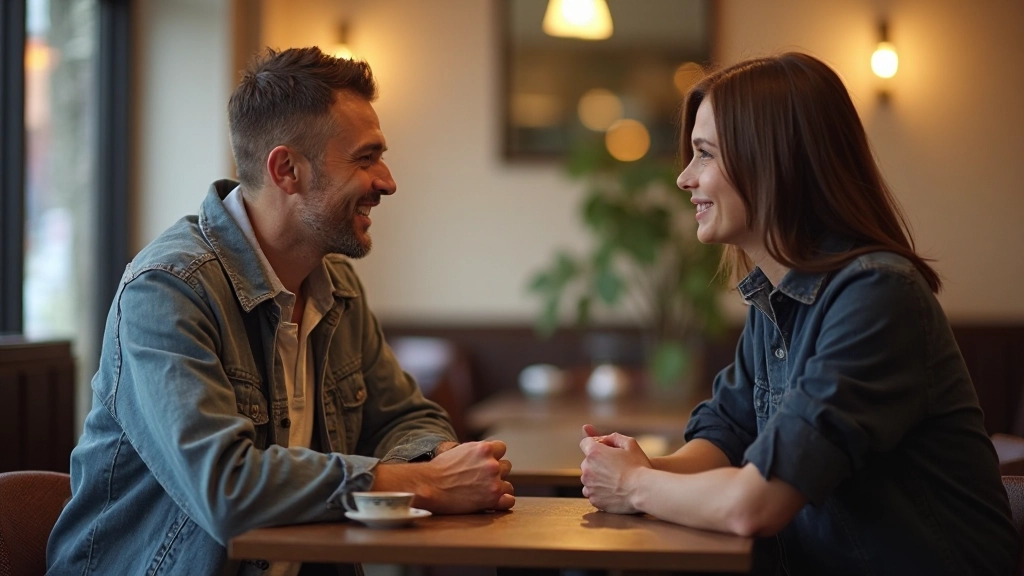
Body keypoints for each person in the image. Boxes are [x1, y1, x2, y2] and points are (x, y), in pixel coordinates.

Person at [47, 47, 514, 576]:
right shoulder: (167, 290)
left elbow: (407, 417)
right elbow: (227, 488)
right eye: (365, 158)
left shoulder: (335, 284)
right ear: (287, 169)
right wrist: (424, 484)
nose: (387, 181)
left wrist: (438, 462)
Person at [578, 52, 1018, 576]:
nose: (684, 179)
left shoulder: (878, 294)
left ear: (772, 161)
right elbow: (726, 434)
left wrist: (635, 485)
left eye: (705, 155)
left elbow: (754, 504)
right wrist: (641, 466)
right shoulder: (776, 296)